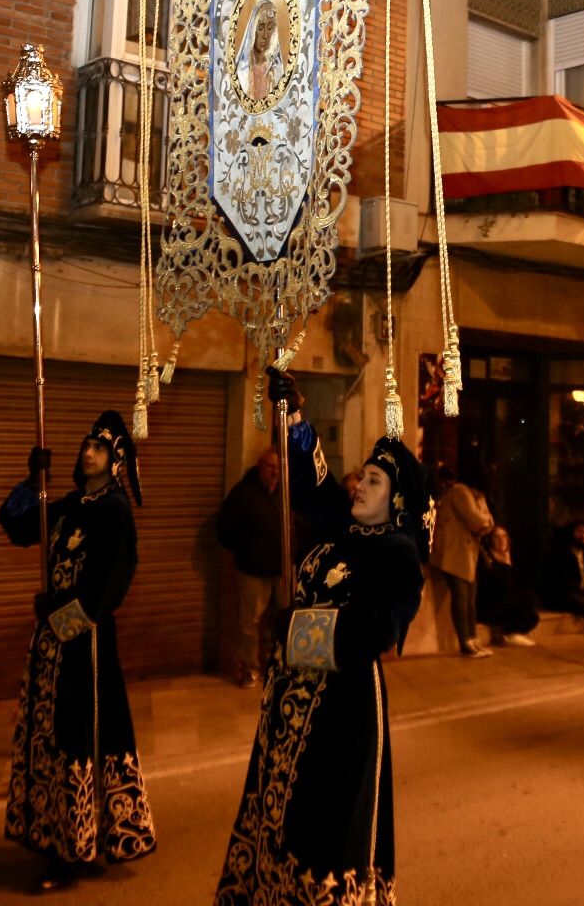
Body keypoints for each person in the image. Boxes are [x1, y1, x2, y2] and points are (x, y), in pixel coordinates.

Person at [216, 369, 430, 904]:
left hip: (341, 711)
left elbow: (375, 630)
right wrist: (293, 415)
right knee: (279, 815)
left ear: (396, 501)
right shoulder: (343, 528)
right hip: (290, 703)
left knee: (321, 829)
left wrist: (296, 630)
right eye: (362, 478)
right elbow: (311, 482)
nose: (359, 486)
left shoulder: (395, 554)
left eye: (375, 482)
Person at [0, 411, 158, 891]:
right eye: (86, 444)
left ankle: (74, 849)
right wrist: (32, 479)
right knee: (50, 735)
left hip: (84, 646)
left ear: (115, 462)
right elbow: (18, 527)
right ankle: (57, 834)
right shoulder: (68, 504)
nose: (87, 452)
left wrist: (63, 616)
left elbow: (113, 582)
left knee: (77, 738)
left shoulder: (114, 510)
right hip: (50, 646)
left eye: (100, 448)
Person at [219, 447, 285, 687]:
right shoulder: (243, 494)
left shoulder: (284, 493)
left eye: (278, 468)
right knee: (250, 623)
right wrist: (246, 550)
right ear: (260, 467)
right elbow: (225, 529)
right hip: (253, 571)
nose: (274, 473)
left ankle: (276, 665)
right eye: (270, 467)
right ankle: (250, 668)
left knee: (282, 619)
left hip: (281, 571)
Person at [432, 463, 495, 657]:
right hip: (454, 552)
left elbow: (489, 522)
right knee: (461, 596)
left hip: (466, 553)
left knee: (469, 599)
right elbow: (478, 520)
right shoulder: (461, 492)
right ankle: (466, 642)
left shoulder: (475, 495)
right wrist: (483, 523)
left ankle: (473, 639)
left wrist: (483, 522)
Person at [477, 526, 540, 646]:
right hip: (489, 607)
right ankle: (508, 633)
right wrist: (507, 565)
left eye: (504, 536)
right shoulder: (488, 559)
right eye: (497, 537)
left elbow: (516, 584)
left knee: (533, 617)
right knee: (528, 596)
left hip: (504, 605)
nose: (501, 540)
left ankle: (509, 634)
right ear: (490, 540)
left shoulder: (507, 556)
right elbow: (503, 586)